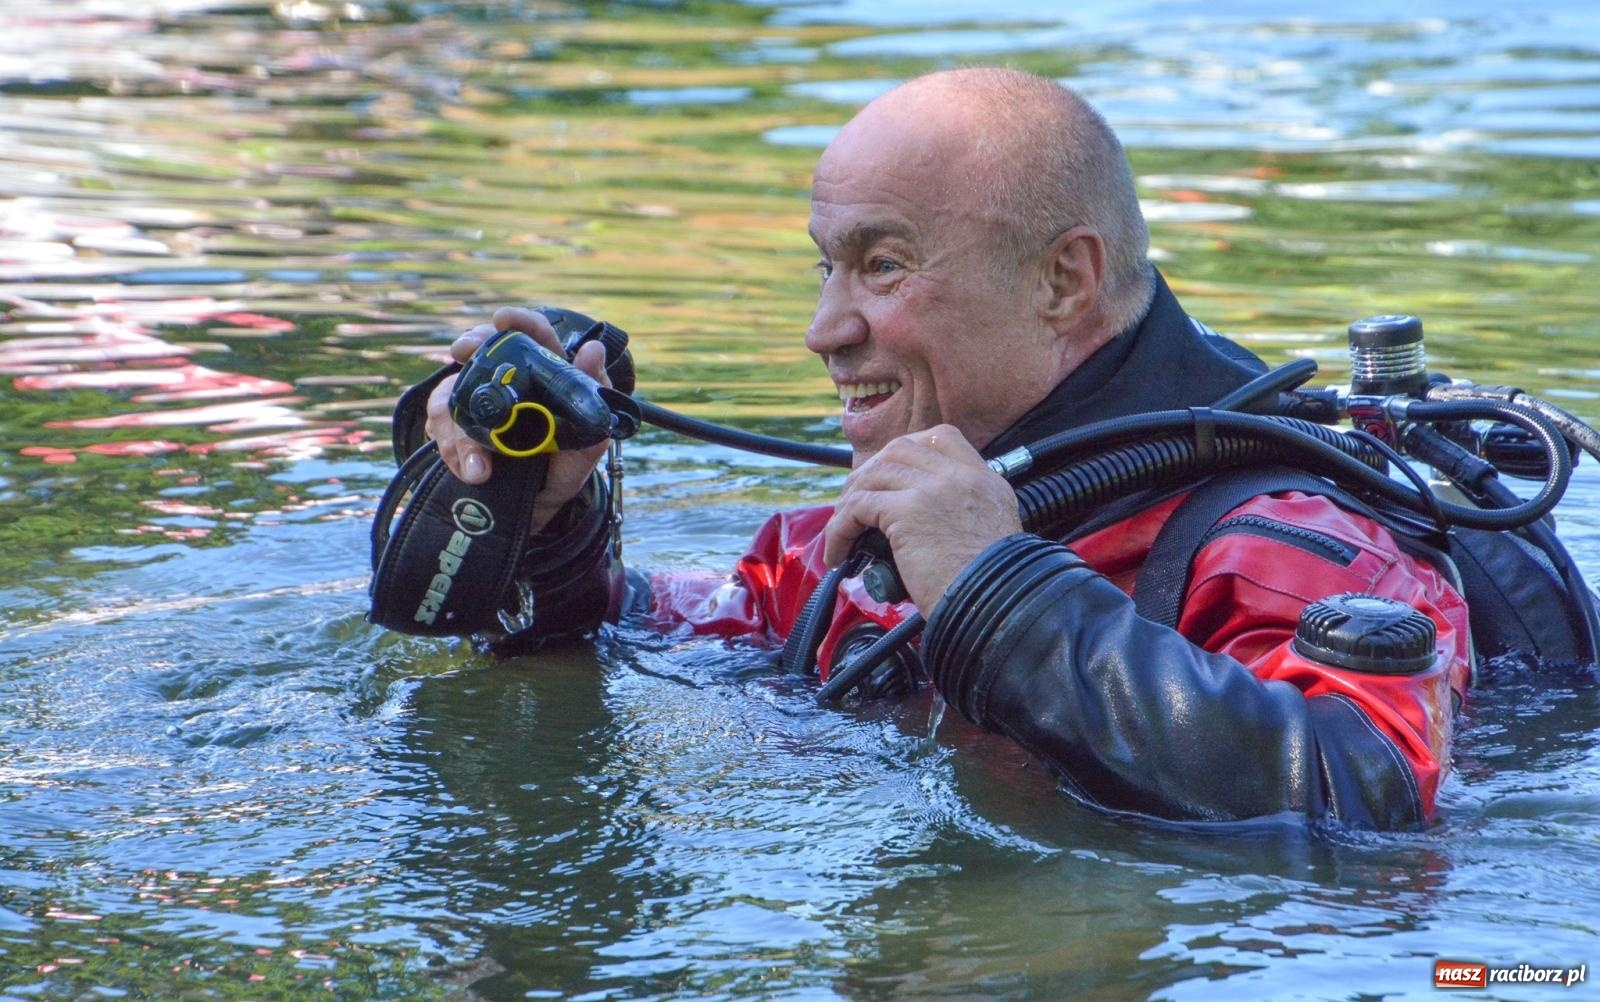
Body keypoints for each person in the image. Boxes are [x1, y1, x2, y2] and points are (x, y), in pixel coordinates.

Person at [422, 67, 1469, 832]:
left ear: (1061, 281)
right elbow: (644, 636)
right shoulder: (869, 536)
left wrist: (995, 587)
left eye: (882, 266)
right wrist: (545, 517)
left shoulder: (1294, 545)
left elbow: (1363, 796)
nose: (824, 329)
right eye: (824, 268)